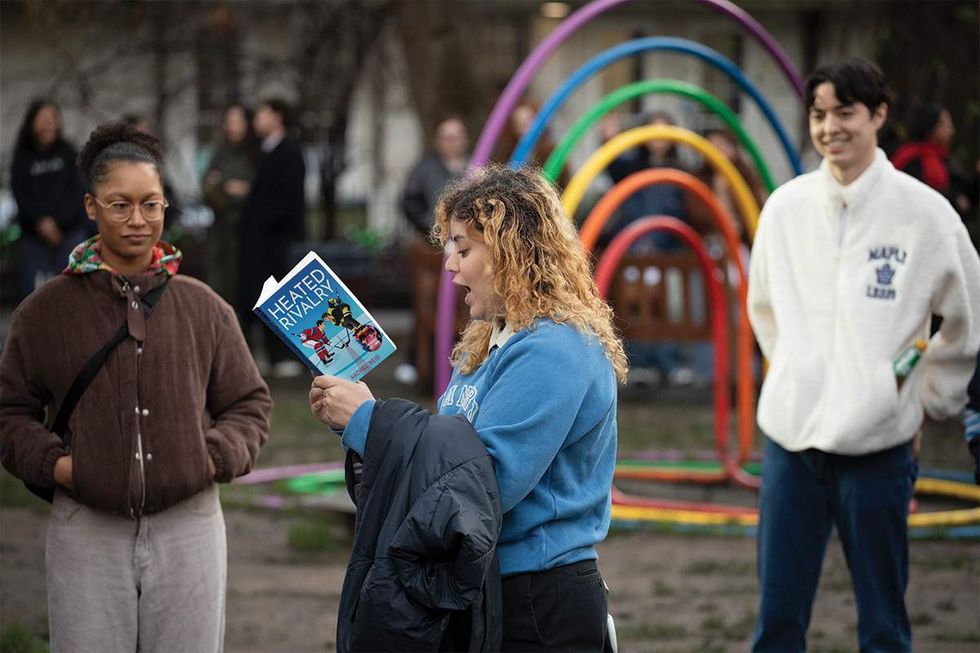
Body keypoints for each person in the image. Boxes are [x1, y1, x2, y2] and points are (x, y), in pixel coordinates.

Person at [311, 164, 628, 650]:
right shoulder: (487, 343)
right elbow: (447, 462)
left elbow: (484, 484)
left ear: (511, 251)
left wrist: (370, 423)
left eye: (464, 248)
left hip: (538, 598)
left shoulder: (555, 349)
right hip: (488, 582)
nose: (450, 265)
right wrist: (359, 425)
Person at [0, 123, 272, 653]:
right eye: (119, 204)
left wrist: (209, 458)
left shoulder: (204, 307)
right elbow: (9, 413)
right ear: (91, 206)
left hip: (190, 525)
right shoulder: (44, 313)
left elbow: (249, 403)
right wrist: (60, 467)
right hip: (86, 528)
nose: (137, 220)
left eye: (151, 204)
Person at [748, 59, 980, 652]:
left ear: (879, 115)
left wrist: (925, 397)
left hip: (879, 448)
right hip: (791, 444)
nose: (830, 128)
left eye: (845, 113)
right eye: (819, 115)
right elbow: (764, 308)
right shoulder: (785, 208)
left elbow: (964, 317)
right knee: (777, 621)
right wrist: (799, 372)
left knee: (882, 623)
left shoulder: (924, 214)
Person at [600, 109, 696, 387]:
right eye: (652, 132)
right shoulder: (633, 166)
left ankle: (672, 362)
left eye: (664, 132)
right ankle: (640, 363)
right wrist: (608, 139)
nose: (658, 140)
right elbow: (612, 165)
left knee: (668, 307)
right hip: (633, 248)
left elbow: (682, 210)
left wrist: (661, 241)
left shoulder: (679, 170)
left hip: (667, 250)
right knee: (635, 306)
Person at [398, 115, 470, 386]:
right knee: (427, 307)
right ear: (438, 141)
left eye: (457, 136)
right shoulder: (425, 168)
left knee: (462, 308)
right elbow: (409, 201)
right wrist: (430, 230)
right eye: (447, 136)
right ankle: (418, 362)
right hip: (431, 251)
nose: (452, 142)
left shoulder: (474, 166)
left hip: (464, 248)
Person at [241, 97, 306, 377]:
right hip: (262, 240)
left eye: (262, 114)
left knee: (281, 295)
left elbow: (290, 200)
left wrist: (258, 218)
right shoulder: (265, 151)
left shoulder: (289, 152)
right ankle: (271, 354)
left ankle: (284, 356)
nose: (256, 120)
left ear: (277, 117)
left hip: (278, 242)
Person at [10, 99, 89, 301]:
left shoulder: (69, 153)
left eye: (52, 119)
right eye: (42, 118)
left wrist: (59, 225)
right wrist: (42, 223)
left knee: (72, 293)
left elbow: (79, 191)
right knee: (33, 295)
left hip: (69, 233)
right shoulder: (23, 157)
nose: (47, 123)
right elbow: (20, 195)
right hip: (34, 235)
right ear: (32, 122)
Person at [202, 103, 258, 318]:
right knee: (220, 283)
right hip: (221, 230)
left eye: (239, 121)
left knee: (243, 284)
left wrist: (242, 191)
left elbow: (258, 190)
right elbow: (209, 187)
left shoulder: (254, 153)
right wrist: (225, 190)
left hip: (247, 231)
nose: (234, 127)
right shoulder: (220, 152)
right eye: (230, 121)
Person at [891, 102, 974, 218]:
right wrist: (954, 199)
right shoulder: (911, 156)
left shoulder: (945, 159)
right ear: (931, 126)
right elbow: (916, 193)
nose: (951, 131)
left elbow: (965, 189)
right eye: (945, 125)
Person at [494, 99, 571, 188]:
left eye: (528, 119)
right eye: (518, 122)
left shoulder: (551, 151)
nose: (523, 124)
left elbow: (565, 182)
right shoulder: (507, 155)